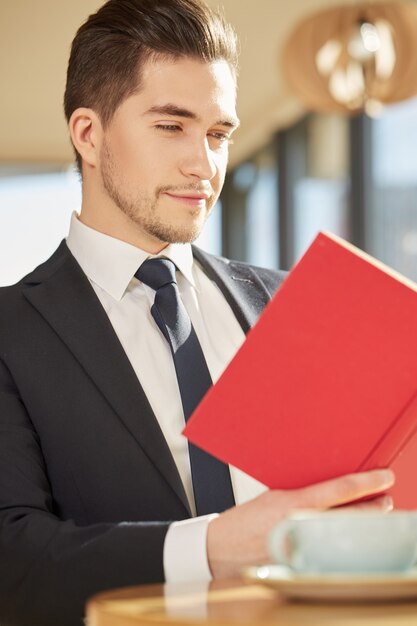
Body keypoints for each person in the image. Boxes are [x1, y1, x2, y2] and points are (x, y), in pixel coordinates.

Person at [0, 1, 394, 625]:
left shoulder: (289, 303)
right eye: (171, 127)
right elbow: (12, 560)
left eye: (218, 134)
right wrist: (212, 549)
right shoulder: (10, 331)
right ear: (88, 134)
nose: (204, 165)